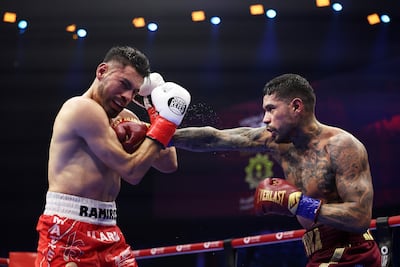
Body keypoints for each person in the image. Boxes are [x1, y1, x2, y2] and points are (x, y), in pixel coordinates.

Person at [172, 73, 381, 266]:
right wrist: (161, 136)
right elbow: (214, 138)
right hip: (319, 253)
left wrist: (298, 204)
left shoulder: (341, 146)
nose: (265, 119)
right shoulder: (276, 143)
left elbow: (360, 217)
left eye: (271, 109)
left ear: (296, 107)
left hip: (352, 252)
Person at [35, 46, 190, 267]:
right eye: (124, 85)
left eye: (135, 92)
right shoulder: (81, 108)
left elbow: (169, 163)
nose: (127, 96)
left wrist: (155, 112)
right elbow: (132, 171)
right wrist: (166, 123)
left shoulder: (124, 117)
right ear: (102, 71)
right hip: (68, 227)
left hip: (108, 228)